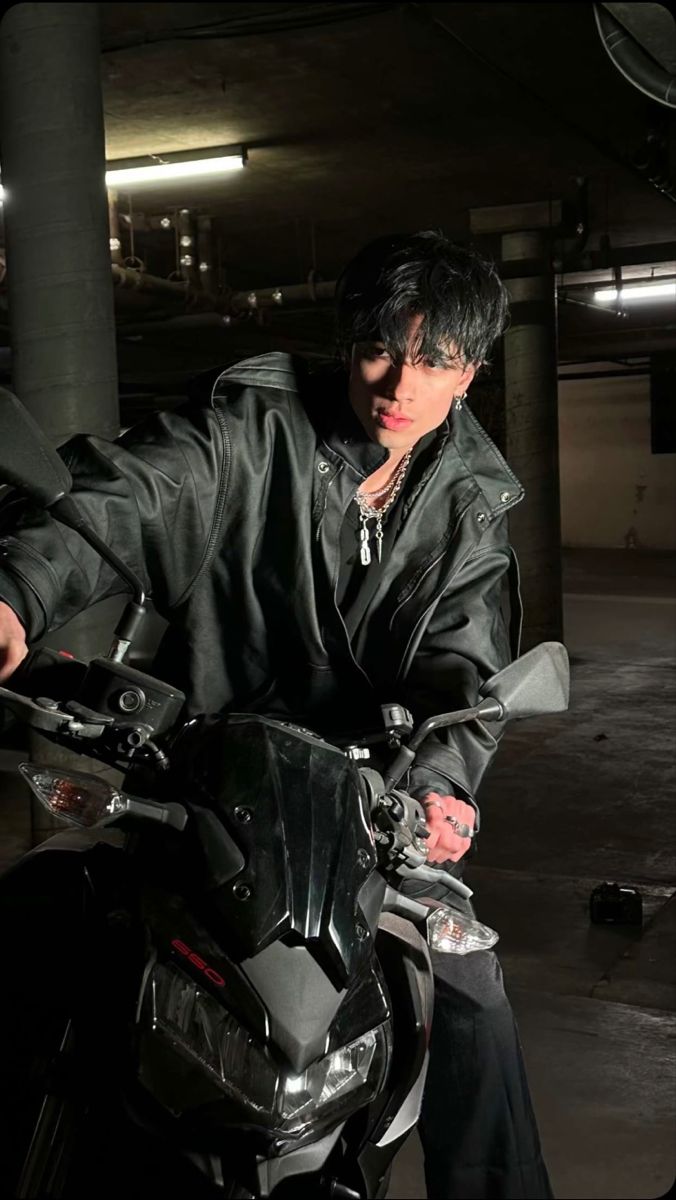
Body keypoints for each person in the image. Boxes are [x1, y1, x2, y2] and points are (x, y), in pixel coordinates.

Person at [0, 230, 552, 1198]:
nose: (399, 383)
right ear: (350, 340)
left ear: (469, 373)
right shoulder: (247, 428)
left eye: (433, 361)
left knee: (468, 987)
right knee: (42, 917)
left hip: (362, 795)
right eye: (383, 347)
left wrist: (439, 788)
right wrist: (14, 589)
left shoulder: (469, 506)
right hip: (198, 769)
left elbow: (465, 672)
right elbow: (127, 497)